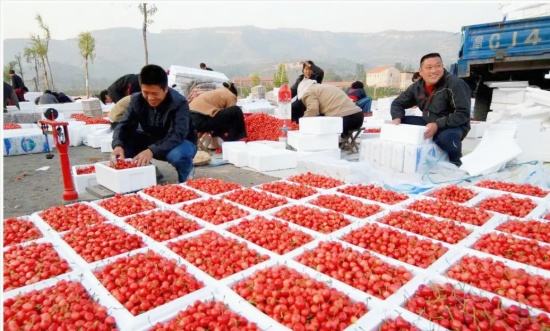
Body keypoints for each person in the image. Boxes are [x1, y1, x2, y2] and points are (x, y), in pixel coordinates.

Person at [111, 64, 198, 183]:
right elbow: (123, 126)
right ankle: (149, 170)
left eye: (155, 94)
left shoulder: (178, 103)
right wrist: (118, 145)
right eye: (146, 92)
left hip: (180, 142)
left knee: (178, 156)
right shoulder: (136, 100)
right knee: (124, 145)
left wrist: (151, 150)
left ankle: (187, 177)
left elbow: (178, 134)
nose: (150, 98)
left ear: (165, 89)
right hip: (153, 139)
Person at [390, 53, 471, 167]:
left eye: (438, 66)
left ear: (443, 67)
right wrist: (397, 116)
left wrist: (437, 124)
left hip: (453, 125)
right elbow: (397, 103)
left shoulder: (455, 84)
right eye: (429, 67)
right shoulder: (417, 87)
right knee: (401, 124)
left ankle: (456, 160)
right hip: (429, 121)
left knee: (445, 138)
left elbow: (463, 113)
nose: (434, 70)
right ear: (421, 71)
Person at [189, 82, 247, 150]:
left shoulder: (218, 92)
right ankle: (231, 143)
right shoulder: (231, 95)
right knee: (236, 111)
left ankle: (214, 143)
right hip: (200, 119)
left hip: (190, 121)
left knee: (219, 117)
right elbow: (232, 115)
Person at [297, 79, 363, 137]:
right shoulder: (324, 87)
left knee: (320, 130)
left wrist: (302, 123)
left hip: (344, 120)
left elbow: (313, 109)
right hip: (359, 117)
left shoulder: (309, 92)